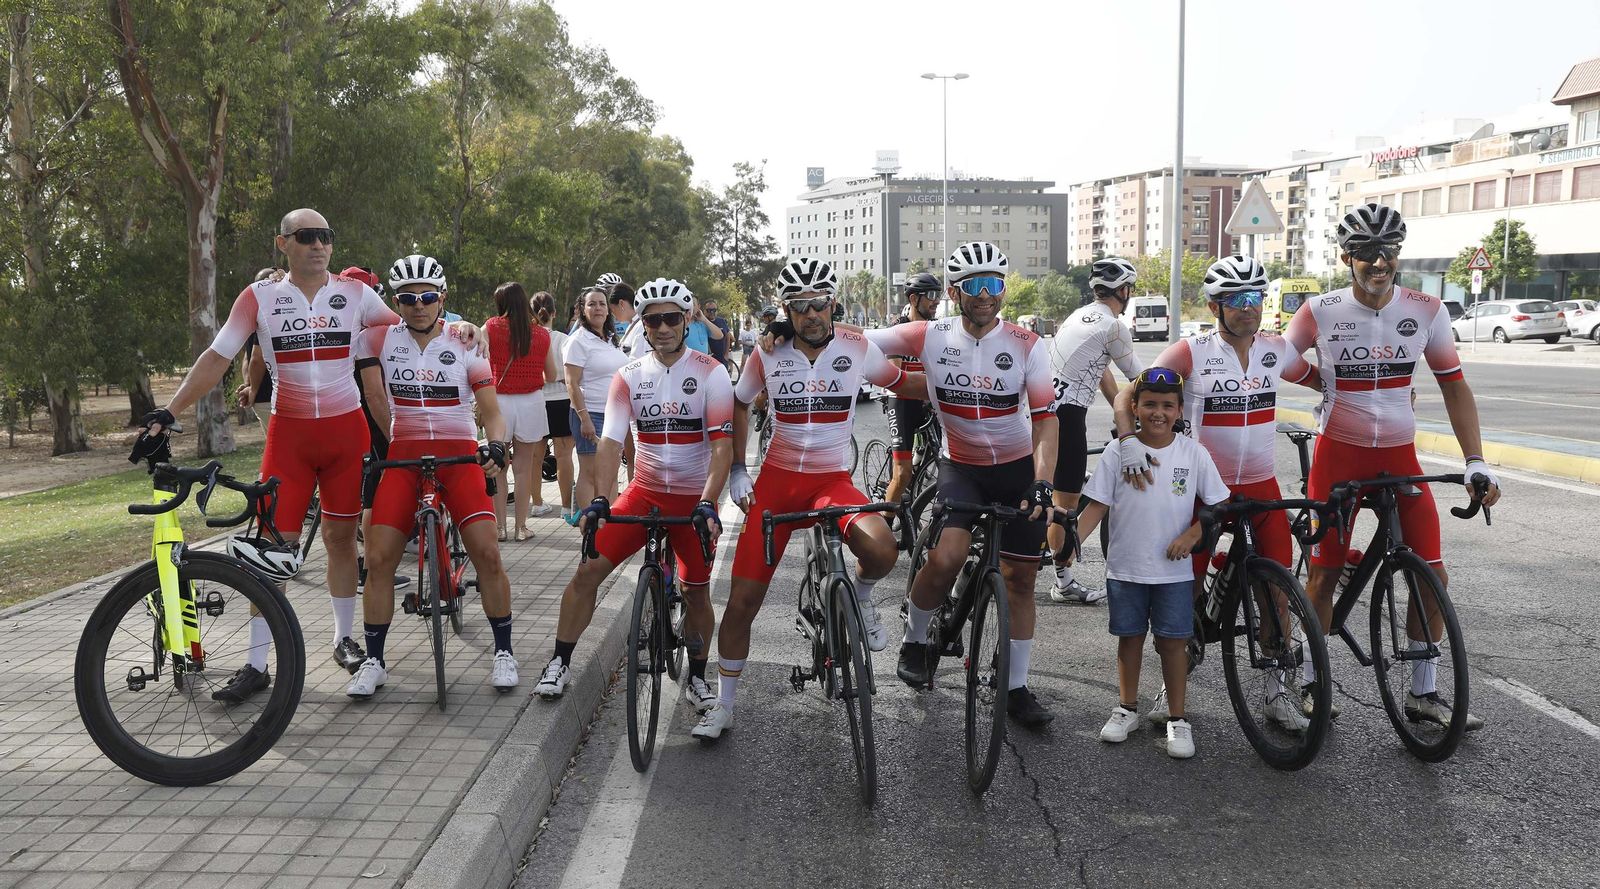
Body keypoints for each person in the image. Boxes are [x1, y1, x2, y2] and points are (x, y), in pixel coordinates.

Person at [129, 210, 481, 702]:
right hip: (289, 437)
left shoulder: (356, 294)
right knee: (271, 544)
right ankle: (256, 663)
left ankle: (343, 639)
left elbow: (417, 320)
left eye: (325, 236)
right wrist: (170, 410)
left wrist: (465, 328)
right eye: (306, 236)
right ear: (283, 243)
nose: (318, 245)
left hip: (345, 435)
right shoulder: (259, 297)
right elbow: (217, 356)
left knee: (341, 539)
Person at [691, 259, 925, 741]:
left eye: (819, 303)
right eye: (799, 306)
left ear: (832, 303)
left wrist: (968, 385)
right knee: (742, 602)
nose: (811, 313)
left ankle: (861, 597)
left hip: (830, 481)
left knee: (883, 549)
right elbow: (740, 402)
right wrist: (738, 469)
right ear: (786, 311)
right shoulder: (767, 353)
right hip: (777, 483)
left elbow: (902, 383)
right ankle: (725, 705)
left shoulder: (857, 345)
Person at [1285, 203, 1498, 728]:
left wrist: (1475, 460)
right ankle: (1310, 680)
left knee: (1433, 572)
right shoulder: (1319, 310)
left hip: (1399, 455)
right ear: (1347, 258)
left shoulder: (1428, 309)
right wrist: (1320, 382)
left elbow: (1454, 386)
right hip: (1339, 455)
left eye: (1389, 252)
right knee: (1324, 573)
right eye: (1366, 253)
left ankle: (1423, 693)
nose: (1379, 263)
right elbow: (1275, 359)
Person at [1110, 254, 1321, 729]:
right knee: (1182, 589)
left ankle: (1276, 691)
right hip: (1201, 490)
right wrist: (1127, 441)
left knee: (1277, 589)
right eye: (1237, 299)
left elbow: (1323, 381)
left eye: (1256, 297)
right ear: (1214, 306)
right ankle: (1172, 679)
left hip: (1261, 483)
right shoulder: (1191, 352)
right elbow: (1128, 395)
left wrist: (1378, 394)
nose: (1249, 307)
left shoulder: (1276, 349)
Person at [865, 242, 1063, 727]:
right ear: (955, 293)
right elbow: (858, 340)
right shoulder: (929, 335)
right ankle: (915, 640)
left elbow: (1045, 421)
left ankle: (1015, 687)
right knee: (947, 556)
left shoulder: (1026, 344)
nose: (986, 295)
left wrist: (1042, 483)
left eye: (994, 284)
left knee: (1021, 580)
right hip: (963, 467)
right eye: (974, 286)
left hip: (1017, 469)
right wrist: (789, 332)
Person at [534, 278, 734, 705]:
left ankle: (698, 676)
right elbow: (610, 442)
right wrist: (601, 498)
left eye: (671, 319)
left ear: (686, 320)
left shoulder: (711, 372)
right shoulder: (628, 376)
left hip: (692, 499)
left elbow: (722, 447)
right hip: (644, 493)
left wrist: (707, 501)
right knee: (587, 571)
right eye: (653, 321)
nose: (662, 328)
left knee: (696, 591)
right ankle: (559, 662)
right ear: (642, 325)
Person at [346, 256, 516, 697]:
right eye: (407, 299)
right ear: (395, 302)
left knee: (487, 552)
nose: (418, 305)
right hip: (404, 454)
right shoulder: (377, 339)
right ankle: (375, 660)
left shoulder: (466, 342)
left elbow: (492, 412)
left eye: (426, 297)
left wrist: (496, 444)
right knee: (378, 559)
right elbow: (369, 392)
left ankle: (503, 651)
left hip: (459, 454)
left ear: (442, 297)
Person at [1075, 368, 1230, 759]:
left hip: (1173, 574)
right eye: (1149, 404)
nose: (1158, 412)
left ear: (1179, 411)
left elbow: (1219, 505)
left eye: (1167, 405)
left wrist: (1192, 535)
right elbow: (1096, 507)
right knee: (1129, 638)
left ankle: (1178, 718)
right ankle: (1126, 708)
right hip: (1126, 568)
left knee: (1173, 644)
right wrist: (1067, 545)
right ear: (1134, 407)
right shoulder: (1117, 453)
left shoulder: (1193, 453)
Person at [1045, 257, 1144, 605]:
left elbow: (1101, 372)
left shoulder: (1080, 315)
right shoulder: (1113, 327)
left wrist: (1122, 410)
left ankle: (1048, 557)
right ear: (1125, 290)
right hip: (1067, 417)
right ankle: (1062, 582)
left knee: (1053, 493)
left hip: (1043, 409)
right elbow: (1140, 379)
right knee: (1065, 504)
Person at [485, 282, 559, 541]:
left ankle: (500, 528)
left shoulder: (491, 327)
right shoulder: (542, 334)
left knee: (498, 466)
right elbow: (552, 375)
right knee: (524, 468)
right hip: (531, 402)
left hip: (499, 402)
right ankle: (520, 528)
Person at [564, 286, 630, 515]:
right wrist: (584, 419)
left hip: (614, 416)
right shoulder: (578, 341)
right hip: (590, 414)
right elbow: (571, 383)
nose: (598, 308)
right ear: (582, 309)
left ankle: (609, 524)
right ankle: (589, 524)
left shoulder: (609, 339)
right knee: (592, 473)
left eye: (602, 303)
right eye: (592, 304)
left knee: (610, 474)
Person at [882, 272, 942, 506]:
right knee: (903, 474)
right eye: (931, 295)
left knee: (943, 455)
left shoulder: (937, 329)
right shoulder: (898, 330)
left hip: (929, 400)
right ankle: (886, 520)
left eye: (938, 295)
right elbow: (895, 375)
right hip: (902, 402)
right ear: (914, 299)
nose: (936, 301)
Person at [534, 291, 577, 525]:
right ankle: (566, 507)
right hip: (562, 400)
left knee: (534, 456)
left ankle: (537, 503)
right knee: (564, 456)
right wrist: (558, 378)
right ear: (554, 313)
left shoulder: (526, 339)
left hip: (535, 400)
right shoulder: (564, 339)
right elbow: (570, 372)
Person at [234, 268, 280, 434]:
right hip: (273, 396)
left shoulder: (252, 314)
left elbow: (247, 358)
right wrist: (251, 388)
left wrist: (250, 385)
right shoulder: (273, 315)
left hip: (262, 398)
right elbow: (255, 358)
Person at [703, 299, 732, 370]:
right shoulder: (702, 323)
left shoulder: (722, 321)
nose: (712, 312)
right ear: (704, 311)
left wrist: (726, 354)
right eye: (709, 310)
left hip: (722, 357)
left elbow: (728, 336)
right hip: (709, 359)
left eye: (714, 310)